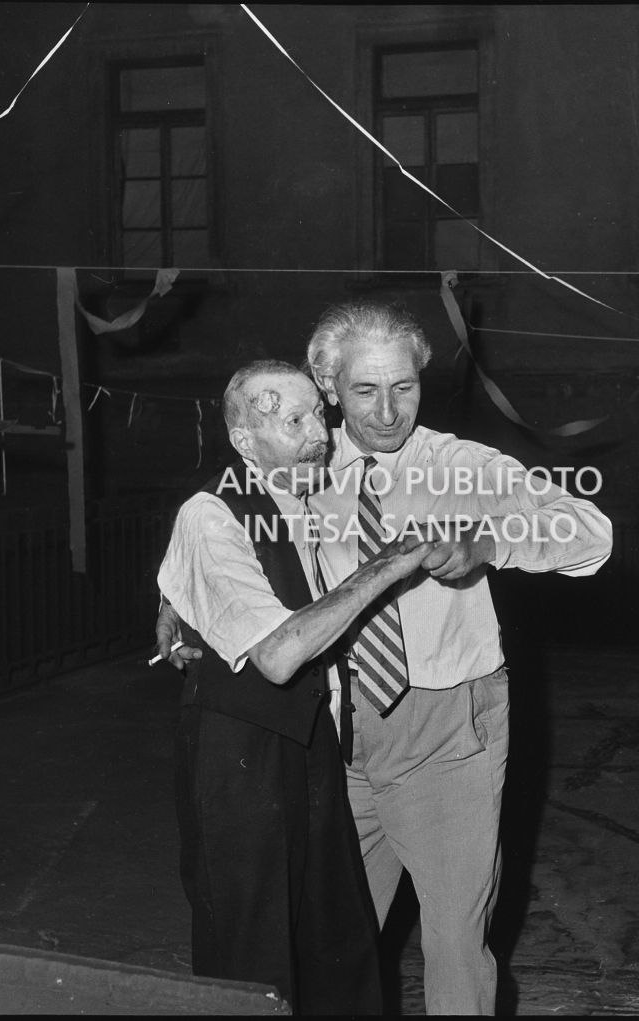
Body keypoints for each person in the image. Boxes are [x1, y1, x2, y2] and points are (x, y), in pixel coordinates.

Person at [160, 301, 614, 1014]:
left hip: (444, 727)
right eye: (365, 390)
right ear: (329, 387)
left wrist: (489, 544)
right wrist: (174, 604)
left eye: (404, 387)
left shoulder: (457, 465)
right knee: (333, 937)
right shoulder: (306, 461)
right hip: (332, 735)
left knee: (455, 940)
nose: (387, 410)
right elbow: (228, 540)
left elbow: (588, 531)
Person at [156, 359, 437, 1014]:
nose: (319, 433)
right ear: (244, 438)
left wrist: (171, 597)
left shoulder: (307, 495)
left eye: (319, 413)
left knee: (336, 950)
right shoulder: (211, 511)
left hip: (313, 743)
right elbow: (280, 656)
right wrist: (385, 567)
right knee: (250, 964)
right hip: (238, 755)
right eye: (294, 419)